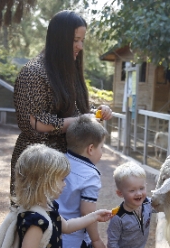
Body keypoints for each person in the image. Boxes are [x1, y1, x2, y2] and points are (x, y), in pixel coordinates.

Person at [9, 10, 113, 199]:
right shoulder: (33, 73)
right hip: (37, 164)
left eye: (82, 40)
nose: (80, 46)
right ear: (59, 39)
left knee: (61, 225)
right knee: (34, 222)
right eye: (75, 40)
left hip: (65, 164)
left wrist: (95, 114)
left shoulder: (69, 72)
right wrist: (79, 120)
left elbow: (74, 113)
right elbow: (33, 123)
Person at [56, 115, 108, 248]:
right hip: (75, 241)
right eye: (102, 147)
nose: (102, 152)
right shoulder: (90, 174)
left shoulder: (58, 162)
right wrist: (95, 240)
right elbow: (88, 212)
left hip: (53, 235)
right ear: (90, 149)